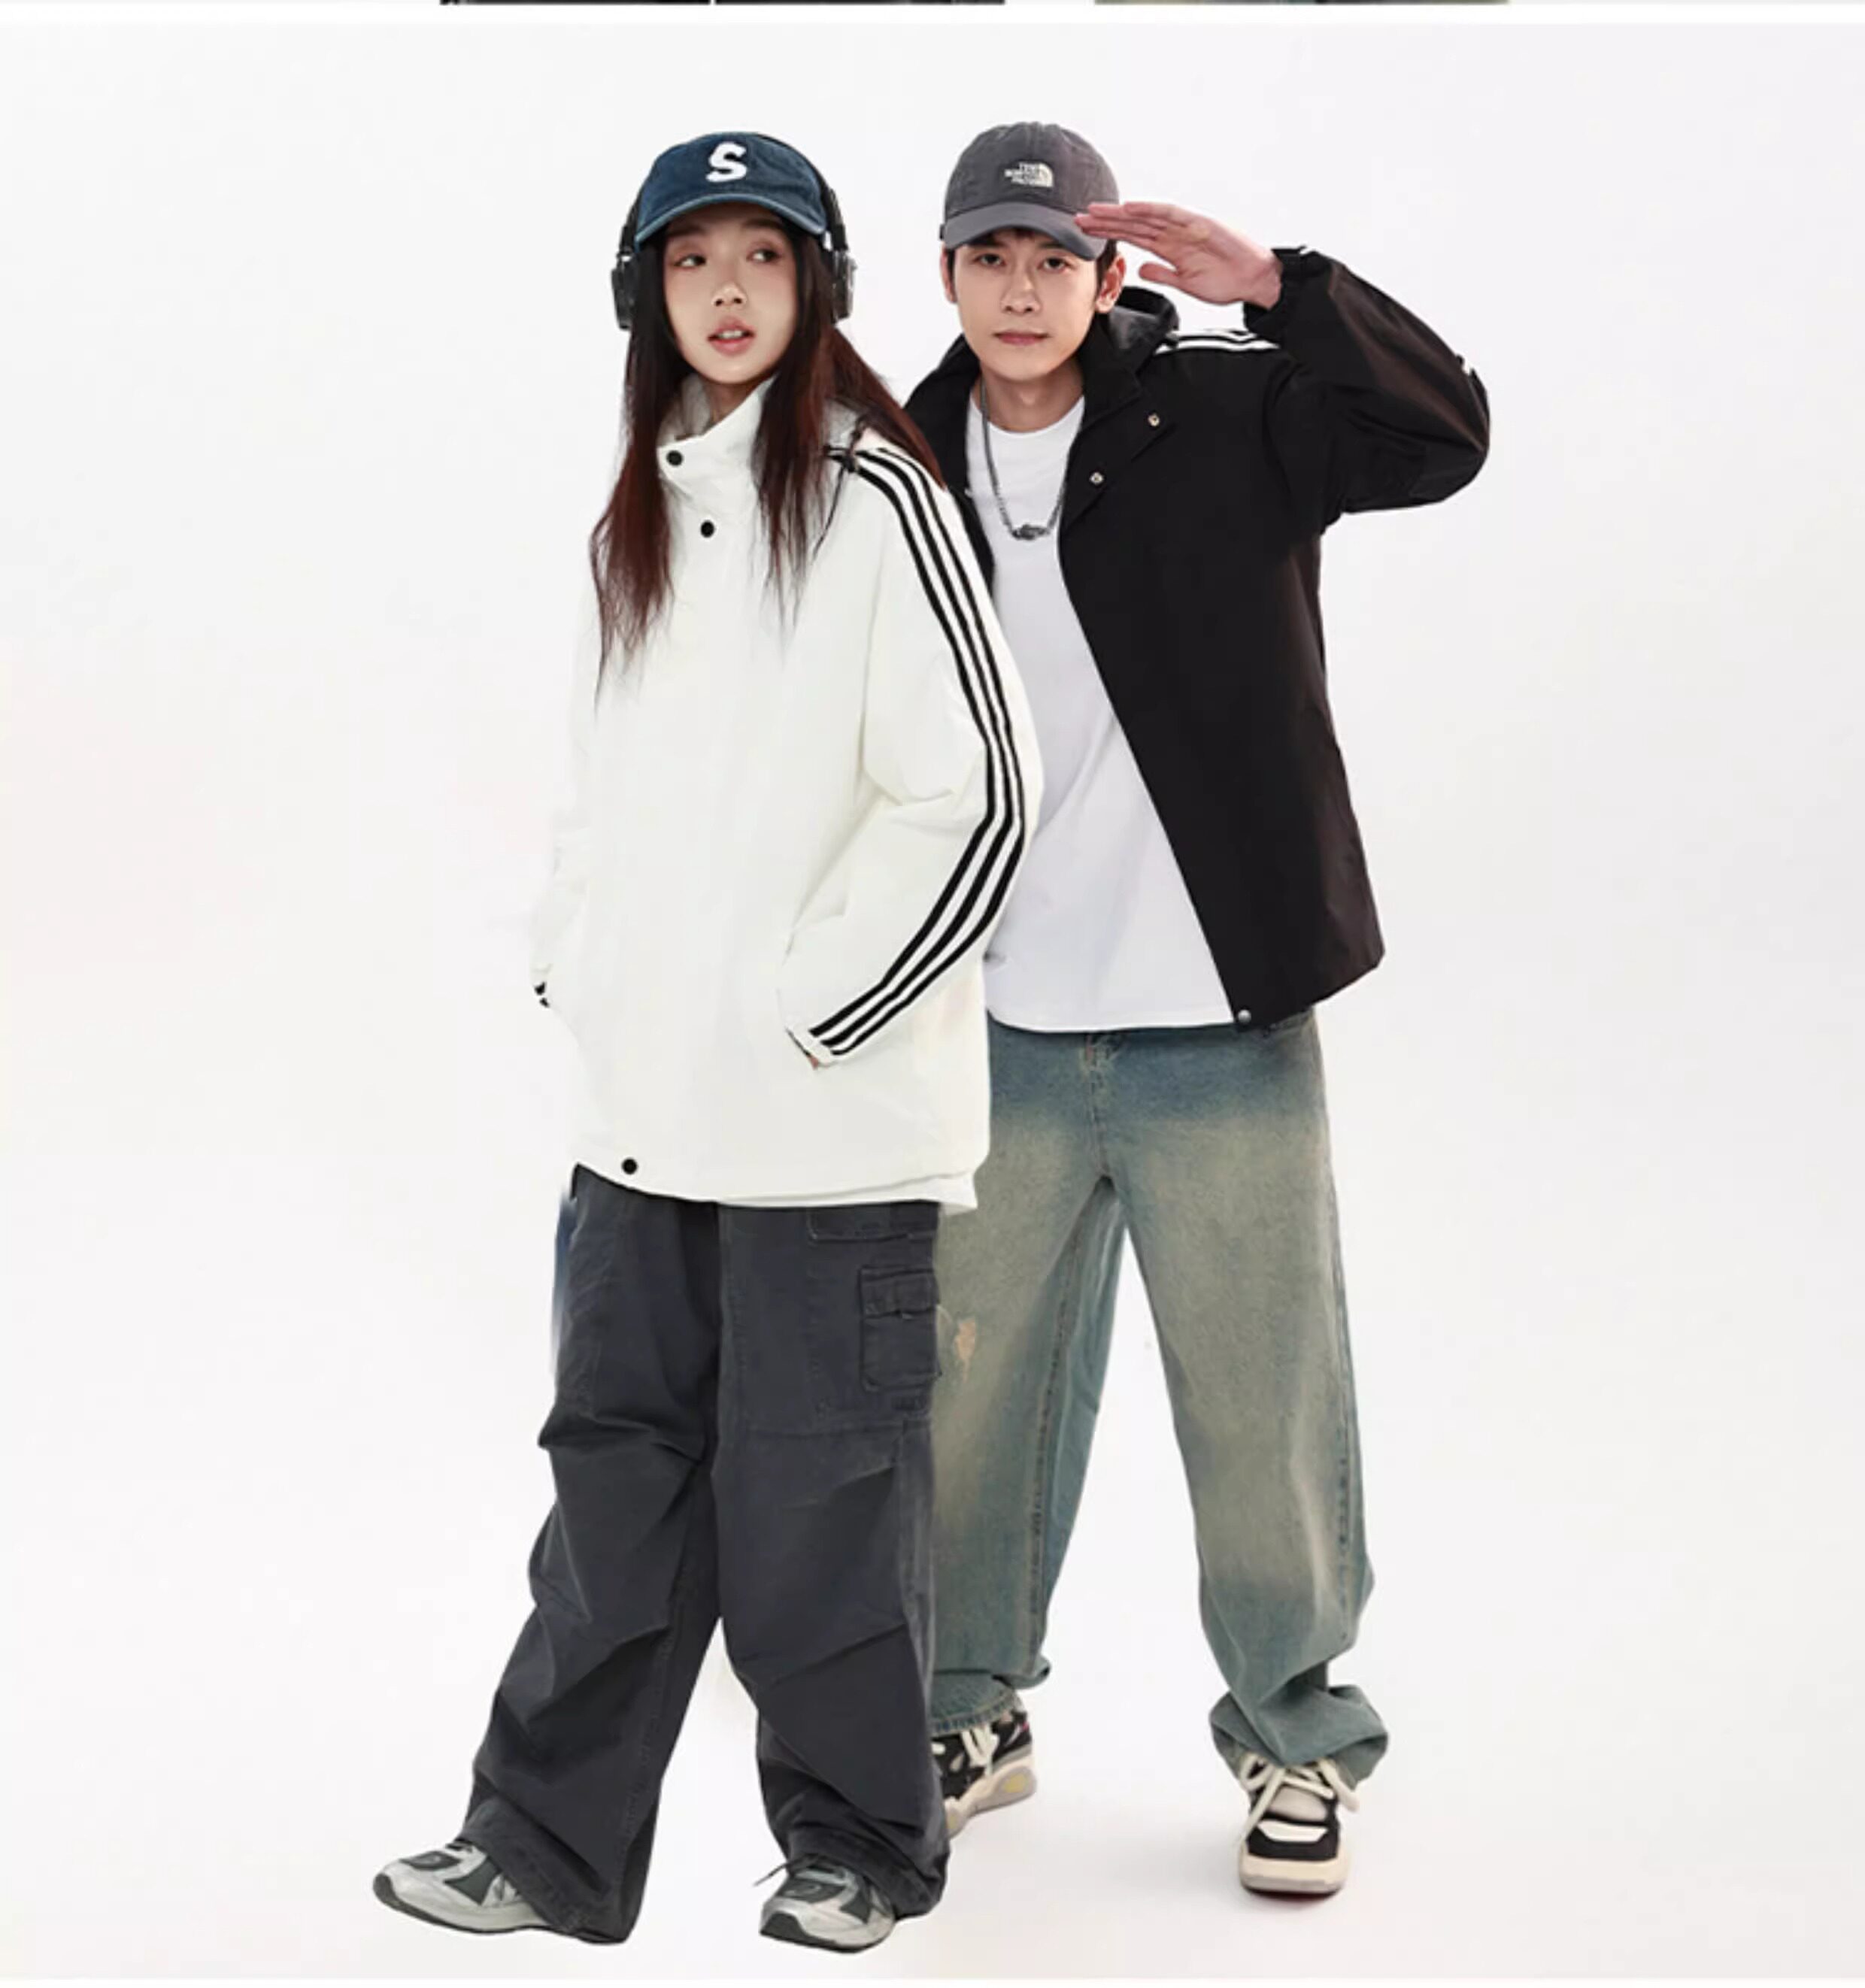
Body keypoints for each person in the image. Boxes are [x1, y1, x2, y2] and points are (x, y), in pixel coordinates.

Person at [373, 131, 1040, 1953]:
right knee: (612, 1499)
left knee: (821, 1513)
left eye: (762, 255)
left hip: (826, 1133)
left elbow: (978, 795)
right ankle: (540, 1846)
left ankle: (859, 1846)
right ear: (646, 292)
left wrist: (809, 1009)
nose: (727, 291)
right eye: (692, 260)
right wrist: (579, 966)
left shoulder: (878, 498)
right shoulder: (642, 513)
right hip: (639, 1124)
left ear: (818, 286)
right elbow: (600, 796)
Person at [905, 123, 1489, 1897]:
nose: (1021, 287)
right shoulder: (899, 460)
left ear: (1108, 274)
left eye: (1053, 256)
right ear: (948, 274)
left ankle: (1297, 1733)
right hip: (991, 1027)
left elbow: (1441, 439)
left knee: (1261, 1403)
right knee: (966, 1401)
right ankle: (966, 1709)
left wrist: (1284, 290)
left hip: (1215, 1022)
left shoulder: (1231, 409)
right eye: (990, 255)